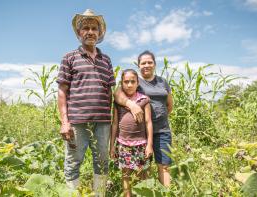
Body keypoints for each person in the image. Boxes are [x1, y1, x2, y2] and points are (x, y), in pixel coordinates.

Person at [56, 9, 116, 196]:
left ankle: (99, 194)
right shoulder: (69, 57)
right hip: (77, 121)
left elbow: (110, 92)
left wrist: (113, 119)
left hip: (102, 122)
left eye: (94, 28)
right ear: (79, 33)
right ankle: (73, 194)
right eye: (86, 28)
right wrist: (65, 122)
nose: (90, 32)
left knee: (102, 161)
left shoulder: (106, 60)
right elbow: (62, 91)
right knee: (74, 160)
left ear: (99, 33)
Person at [114, 50, 173, 187]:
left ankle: (165, 194)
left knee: (164, 165)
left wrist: (160, 116)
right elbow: (117, 94)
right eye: (143, 63)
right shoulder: (134, 81)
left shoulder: (163, 82)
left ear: (154, 64)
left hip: (162, 130)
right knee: (142, 169)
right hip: (141, 133)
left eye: (149, 62)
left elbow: (169, 105)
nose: (146, 65)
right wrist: (131, 105)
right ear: (138, 65)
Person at [110, 69, 153, 197]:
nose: (129, 85)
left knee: (141, 175)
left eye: (132, 82)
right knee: (125, 175)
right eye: (126, 82)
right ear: (122, 83)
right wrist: (112, 145)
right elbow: (115, 124)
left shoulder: (144, 100)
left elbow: (148, 122)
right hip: (123, 145)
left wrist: (149, 145)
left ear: (137, 82)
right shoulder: (118, 101)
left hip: (141, 144)